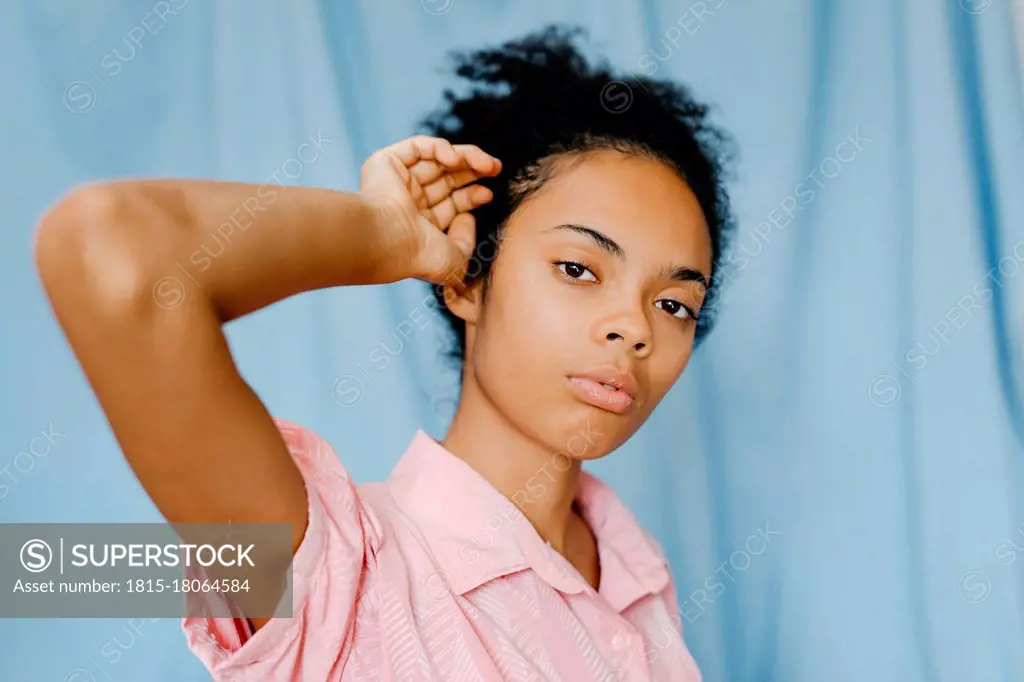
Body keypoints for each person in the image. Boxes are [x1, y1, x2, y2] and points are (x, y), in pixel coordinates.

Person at [34, 25, 734, 682]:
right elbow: (108, 249)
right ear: (466, 278)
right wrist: (383, 235)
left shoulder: (639, 581)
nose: (634, 328)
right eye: (578, 269)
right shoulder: (334, 574)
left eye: (673, 304)